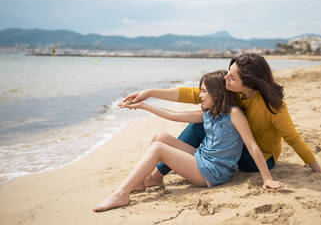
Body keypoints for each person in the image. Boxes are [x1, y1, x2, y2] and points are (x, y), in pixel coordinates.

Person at [122, 53, 321, 190]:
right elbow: (195, 93)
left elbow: (293, 139)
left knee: (203, 121)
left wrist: (319, 170)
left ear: (249, 82)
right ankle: (159, 174)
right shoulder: (234, 92)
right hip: (231, 149)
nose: (226, 79)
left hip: (256, 159)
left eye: (232, 77)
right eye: (228, 73)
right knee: (209, 113)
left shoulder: (273, 107)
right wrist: (149, 92)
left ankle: (167, 170)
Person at [93, 70, 282, 212]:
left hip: (214, 172)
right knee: (160, 137)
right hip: (202, 158)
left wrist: (267, 179)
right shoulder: (209, 112)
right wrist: (144, 106)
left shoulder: (234, 114)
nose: (199, 96)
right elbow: (174, 116)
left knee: (159, 148)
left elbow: (251, 145)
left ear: (216, 94)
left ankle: (121, 195)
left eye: (203, 92)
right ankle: (145, 181)